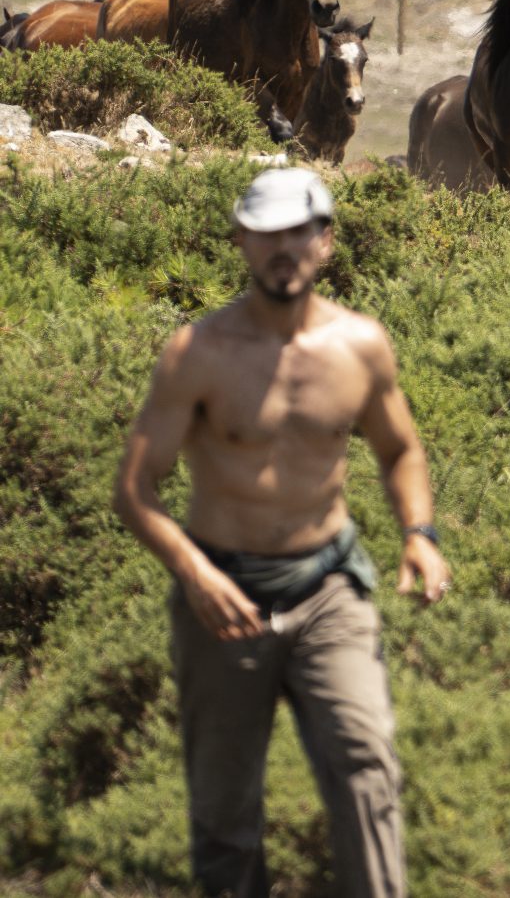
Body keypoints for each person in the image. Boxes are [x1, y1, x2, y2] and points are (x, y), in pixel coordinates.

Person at [112, 167, 449, 898]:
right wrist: (196, 575)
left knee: (366, 766)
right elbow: (135, 488)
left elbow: (400, 450)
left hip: (328, 587)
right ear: (241, 240)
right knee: (224, 812)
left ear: (326, 241)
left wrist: (419, 533)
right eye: (267, 234)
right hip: (224, 597)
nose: (284, 248)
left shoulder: (360, 345)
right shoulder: (198, 353)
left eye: (300, 232)